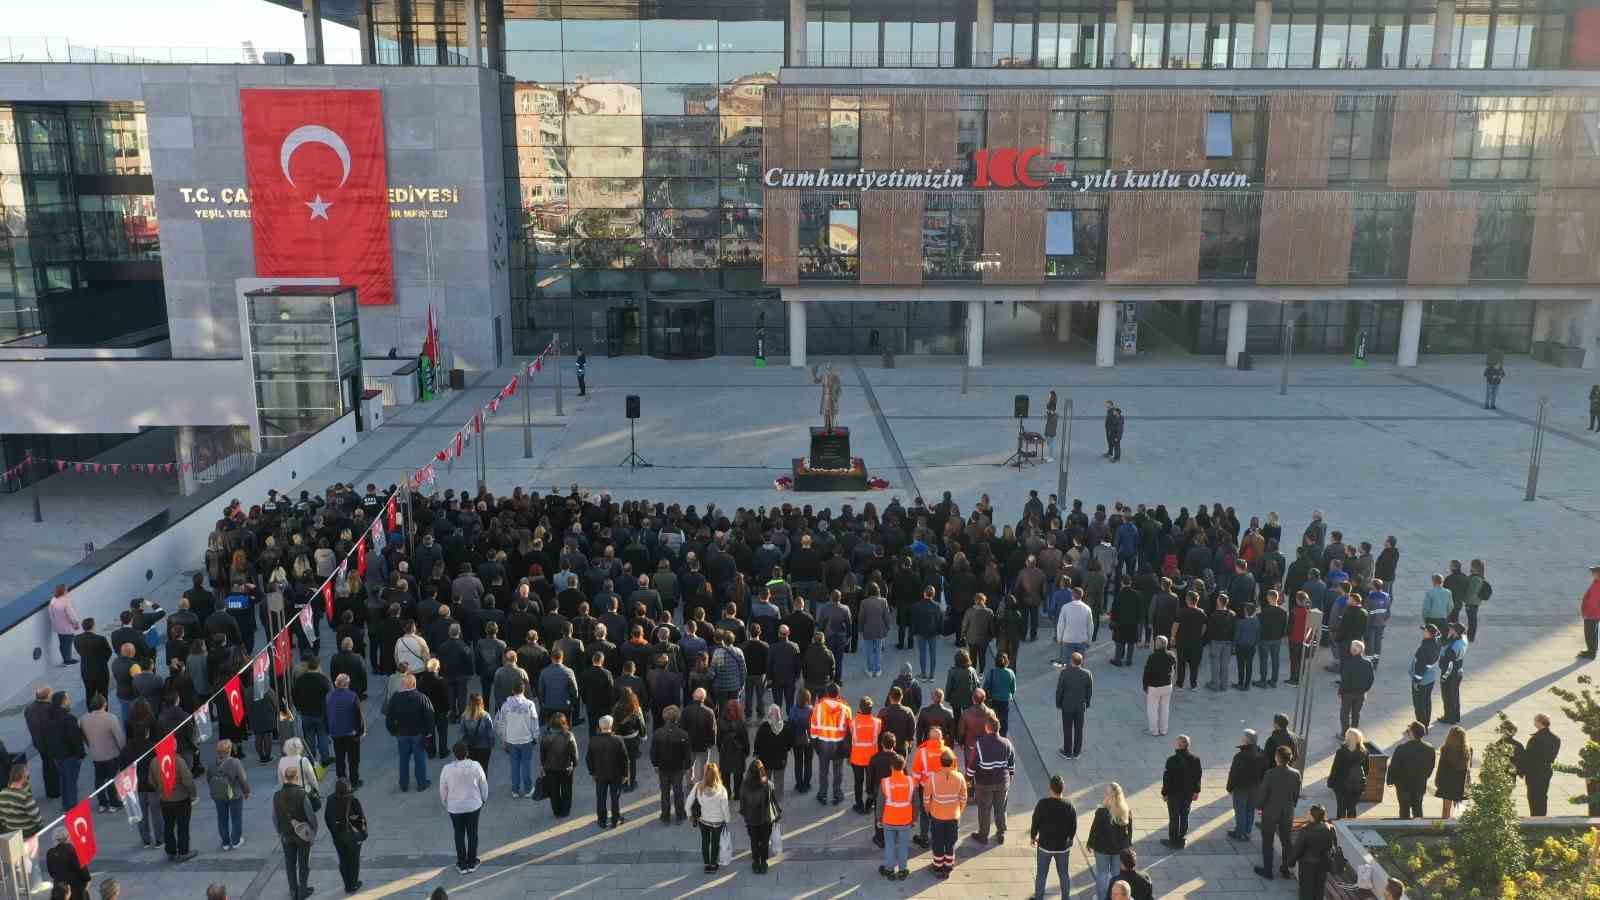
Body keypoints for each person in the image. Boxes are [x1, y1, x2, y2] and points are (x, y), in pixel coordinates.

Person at [439, 741, 488, 874]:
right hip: (473, 805)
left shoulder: (447, 769)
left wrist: (445, 802)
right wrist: (484, 798)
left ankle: (461, 863)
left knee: (458, 834)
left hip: (455, 808)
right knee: (473, 833)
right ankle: (472, 862)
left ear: (454, 754)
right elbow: (483, 784)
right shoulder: (476, 766)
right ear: (467, 753)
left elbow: (443, 788)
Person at [1254, 746, 1302, 880]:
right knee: (1286, 840)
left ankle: (1268, 870)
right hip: (1287, 811)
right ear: (1290, 758)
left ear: (1277, 758)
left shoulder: (1270, 774)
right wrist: (1292, 805)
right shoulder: (1296, 773)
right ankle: (1286, 868)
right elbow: (1296, 794)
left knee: (1267, 841)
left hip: (1270, 812)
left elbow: (1263, 793)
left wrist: (1259, 806)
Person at [273, 764, 318, 900]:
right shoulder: (302, 794)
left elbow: (274, 818)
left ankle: (293, 891)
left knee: (290, 864)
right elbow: (311, 816)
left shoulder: (277, 796)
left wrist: (279, 832)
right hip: (302, 835)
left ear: (285, 778)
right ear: (297, 777)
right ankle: (303, 890)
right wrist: (313, 833)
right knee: (304, 863)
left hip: (286, 834)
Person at [968, 711, 1014, 845]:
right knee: (1000, 808)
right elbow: (1011, 765)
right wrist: (1009, 778)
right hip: (1002, 782)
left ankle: (983, 835)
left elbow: (972, 766)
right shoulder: (1007, 743)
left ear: (987, 728)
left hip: (984, 783)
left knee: (984, 809)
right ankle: (1001, 833)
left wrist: (968, 779)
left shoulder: (980, 744)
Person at [386, 673, 434, 792]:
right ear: (414, 683)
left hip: (402, 734)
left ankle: (403, 784)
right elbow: (430, 715)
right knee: (420, 760)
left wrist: (393, 731)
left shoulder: (395, 698)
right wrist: (428, 732)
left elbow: (389, 717)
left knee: (403, 760)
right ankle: (422, 783)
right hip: (418, 734)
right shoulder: (421, 697)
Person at [924, 748, 967, 879]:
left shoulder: (933, 778)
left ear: (940, 762)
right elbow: (963, 797)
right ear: (952, 762)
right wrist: (960, 810)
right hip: (953, 816)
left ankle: (937, 866)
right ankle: (948, 865)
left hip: (937, 815)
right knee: (950, 841)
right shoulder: (960, 777)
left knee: (937, 841)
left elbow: (926, 798)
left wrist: (928, 810)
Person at [1084, 782, 1132, 900]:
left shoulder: (1102, 812)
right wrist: (1128, 846)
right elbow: (1129, 832)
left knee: (1102, 874)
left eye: (1106, 793)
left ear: (1109, 796)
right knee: (1117, 875)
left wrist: (1090, 843)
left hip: (1102, 850)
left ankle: (1101, 897)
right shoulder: (1126, 812)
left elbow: (1094, 829)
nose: (1104, 794)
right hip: (1119, 850)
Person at [493, 682, 537, 798]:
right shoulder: (529, 704)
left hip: (511, 741)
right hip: (526, 740)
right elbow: (534, 721)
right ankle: (528, 789)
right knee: (526, 765)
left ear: (512, 691)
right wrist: (535, 736)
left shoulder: (505, 706)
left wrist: (504, 739)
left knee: (514, 765)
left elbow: (502, 723)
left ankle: (515, 790)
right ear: (523, 691)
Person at [809, 683, 851, 805]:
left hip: (823, 745)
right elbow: (849, 730)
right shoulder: (845, 708)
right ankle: (837, 794)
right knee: (838, 771)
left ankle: (822, 795)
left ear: (827, 693)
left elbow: (813, 727)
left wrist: (815, 744)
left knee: (823, 771)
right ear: (838, 694)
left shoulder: (818, 707)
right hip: (839, 746)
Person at [324, 778, 366, 893]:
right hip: (352, 837)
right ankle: (353, 884)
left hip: (338, 838)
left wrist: (334, 833)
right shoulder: (353, 800)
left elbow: (327, 818)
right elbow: (360, 819)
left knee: (343, 860)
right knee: (354, 861)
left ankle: (347, 885)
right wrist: (363, 834)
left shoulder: (330, 800)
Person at [1387, 722, 1436, 820]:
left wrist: (1390, 780)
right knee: (1417, 808)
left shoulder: (1401, 749)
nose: (1406, 732)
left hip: (1403, 785)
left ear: (1412, 733)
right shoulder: (1430, 749)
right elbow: (1431, 767)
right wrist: (1424, 777)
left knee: (1404, 809)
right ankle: (1418, 828)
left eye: (1408, 730)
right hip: (1419, 783)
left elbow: (1393, 767)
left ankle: (1404, 827)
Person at [738, 759, 781, 874]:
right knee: (765, 841)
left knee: (754, 840)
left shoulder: (745, 785)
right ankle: (764, 862)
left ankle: (756, 862)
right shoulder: (768, 784)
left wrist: (744, 813)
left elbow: (742, 802)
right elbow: (773, 801)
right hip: (765, 818)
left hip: (751, 819)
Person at [1159, 734, 1201, 849]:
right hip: (1187, 794)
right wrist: (1196, 791)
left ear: (1178, 745)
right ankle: (1181, 837)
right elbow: (1198, 776)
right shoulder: (1195, 759)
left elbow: (1167, 779)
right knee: (1184, 815)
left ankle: (1173, 840)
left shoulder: (1171, 760)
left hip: (1174, 795)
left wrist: (1164, 793)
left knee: (1174, 817)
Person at [651, 705, 691, 823]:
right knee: (678, 792)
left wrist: (655, 765)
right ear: (677, 718)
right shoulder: (683, 734)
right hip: (678, 768)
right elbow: (687, 754)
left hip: (663, 768)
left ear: (664, 718)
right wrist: (687, 767)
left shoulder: (658, 733)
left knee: (665, 792)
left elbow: (653, 752)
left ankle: (665, 816)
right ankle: (680, 815)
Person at [877, 756, 915, 881]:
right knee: (903, 845)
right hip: (905, 820)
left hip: (889, 820)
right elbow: (916, 802)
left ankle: (889, 869)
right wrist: (914, 818)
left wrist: (879, 819)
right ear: (903, 766)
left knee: (890, 845)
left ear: (891, 767)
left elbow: (880, 803)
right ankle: (903, 870)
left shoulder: (885, 782)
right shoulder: (911, 781)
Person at [207, 741, 249, 851]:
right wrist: (246, 791)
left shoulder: (212, 764)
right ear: (229, 749)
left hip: (218, 795)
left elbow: (209, 779)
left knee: (222, 818)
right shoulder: (235, 763)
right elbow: (242, 779)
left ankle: (225, 842)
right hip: (234, 795)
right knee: (236, 818)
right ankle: (235, 841)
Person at [587, 715, 628, 828]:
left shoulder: (593, 740)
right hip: (615, 774)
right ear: (611, 725)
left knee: (601, 797)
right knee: (615, 797)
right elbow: (624, 759)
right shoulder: (618, 739)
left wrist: (592, 773)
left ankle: (602, 820)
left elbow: (589, 759)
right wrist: (625, 774)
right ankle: (615, 819)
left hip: (600, 774)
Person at [690, 761, 730, 873]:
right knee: (715, 842)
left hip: (703, 821)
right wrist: (727, 819)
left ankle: (706, 864)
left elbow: (689, 803)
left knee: (705, 841)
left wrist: (690, 815)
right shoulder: (722, 790)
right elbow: (725, 808)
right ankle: (713, 864)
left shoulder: (699, 787)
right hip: (717, 822)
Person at [539, 711, 578, 818]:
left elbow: (542, 753)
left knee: (554, 791)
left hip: (550, 768)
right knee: (567, 790)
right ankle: (565, 811)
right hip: (566, 768)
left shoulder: (545, 736)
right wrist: (574, 764)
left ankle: (556, 811)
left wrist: (543, 765)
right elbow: (574, 753)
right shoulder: (569, 735)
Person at [1054, 651, 1092, 759]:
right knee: (1079, 729)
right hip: (1080, 706)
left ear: (1071, 661)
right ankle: (1077, 752)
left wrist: (1058, 703)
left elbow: (1059, 690)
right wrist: (1087, 703)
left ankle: (1067, 751)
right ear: (1081, 661)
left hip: (1067, 706)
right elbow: (1089, 691)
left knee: (1067, 728)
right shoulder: (1087, 674)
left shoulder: (1064, 673)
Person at [1226, 729, 1263, 840]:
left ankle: (1240, 832)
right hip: (1255, 787)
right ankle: (1247, 831)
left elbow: (1234, 774)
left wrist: (1229, 787)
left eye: (1243, 738)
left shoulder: (1240, 756)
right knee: (1250, 809)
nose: (1241, 740)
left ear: (1247, 741)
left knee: (1240, 809)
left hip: (1241, 787)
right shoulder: (1262, 753)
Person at [848, 696, 882, 814]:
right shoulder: (877, 722)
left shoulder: (854, 722)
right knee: (871, 782)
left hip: (857, 758)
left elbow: (851, 735)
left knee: (858, 782)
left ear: (860, 709)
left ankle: (859, 804)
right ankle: (869, 804)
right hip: (872, 758)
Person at [1524, 713, 1561, 816]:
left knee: (1533, 797)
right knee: (1543, 795)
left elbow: (1528, 757)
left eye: (1535, 721)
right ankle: (1542, 817)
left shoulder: (1535, 739)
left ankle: (1535, 818)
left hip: (1534, 773)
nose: (1534, 723)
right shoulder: (1556, 739)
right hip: (1546, 771)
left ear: (1539, 723)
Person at [1329, 728, 1369, 820]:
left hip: (1341, 784)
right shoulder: (1364, 752)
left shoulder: (1341, 752)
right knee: (1352, 808)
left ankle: (1340, 829)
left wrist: (1331, 782)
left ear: (1347, 738)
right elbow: (1366, 769)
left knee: (1341, 809)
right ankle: (1351, 826)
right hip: (1357, 785)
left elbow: (1335, 769)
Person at [1338, 639, 1374, 735]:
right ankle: (1354, 734)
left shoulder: (1348, 663)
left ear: (1353, 650)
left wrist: (1340, 691)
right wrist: (1365, 690)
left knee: (1345, 714)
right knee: (1356, 714)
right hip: (1361, 694)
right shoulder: (1368, 663)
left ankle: (1344, 734)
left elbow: (1345, 680)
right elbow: (1371, 679)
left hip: (1348, 694)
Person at [1435, 725, 1472, 818]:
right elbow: (1468, 768)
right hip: (1460, 782)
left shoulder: (1445, 749)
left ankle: (1444, 828)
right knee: (1458, 808)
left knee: (1446, 809)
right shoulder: (1468, 750)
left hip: (1447, 781)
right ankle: (1457, 827)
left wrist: (1438, 781)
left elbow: (1441, 767)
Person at [1142, 636, 1175, 737]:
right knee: (1165, 708)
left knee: (1152, 709)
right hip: (1167, 685)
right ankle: (1164, 730)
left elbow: (1146, 673)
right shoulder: (1171, 655)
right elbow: (1173, 670)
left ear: (1157, 644)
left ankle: (1154, 731)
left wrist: (1145, 686)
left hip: (1154, 687)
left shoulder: (1152, 657)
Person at [718, 699, 750, 802]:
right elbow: (745, 740)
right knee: (738, 776)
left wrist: (721, 750)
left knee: (725, 776)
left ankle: (727, 793)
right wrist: (746, 752)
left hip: (725, 751)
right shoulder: (740, 723)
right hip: (738, 753)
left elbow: (718, 739)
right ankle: (737, 794)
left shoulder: (720, 722)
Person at [45, 828, 91, 900]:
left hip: (59, 889)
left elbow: (51, 873)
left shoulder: (50, 853)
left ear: (55, 838)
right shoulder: (76, 851)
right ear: (68, 837)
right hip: (77, 889)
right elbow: (85, 873)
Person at [1409, 625, 1440, 729]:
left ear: (1430, 634)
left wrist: (1416, 680)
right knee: (1426, 701)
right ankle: (1425, 723)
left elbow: (1421, 666)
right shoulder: (1435, 643)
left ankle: (1420, 727)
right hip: (1430, 678)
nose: (1424, 632)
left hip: (1422, 680)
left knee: (1419, 704)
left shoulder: (1425, 647)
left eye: (1425, 631)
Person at [1437, 623, 1468, 725]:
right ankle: (1455, 716)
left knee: (1448, 695)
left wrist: (1445, 676)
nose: (1450, 629)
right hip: (1458, 670)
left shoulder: (1454, 646)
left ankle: (1449, 717)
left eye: (1452, 629)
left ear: (1456, 631)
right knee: (1454, 695)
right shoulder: (1462, 639)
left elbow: (1449, 662)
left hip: (1450, 673)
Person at [0, 763, 42, 838]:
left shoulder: (2, 793)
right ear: (23, 778)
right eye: (28, 777)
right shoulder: (26, 797)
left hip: (12, 833)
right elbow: (37, 818)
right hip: (28, 833)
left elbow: (2, 817)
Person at [982, 653, 1017, 736]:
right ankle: (1003, 735)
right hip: (1005, 700)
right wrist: (1011, 695)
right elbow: (1013, 687)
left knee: (993, 717)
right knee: (1004, 719)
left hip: (993, 699)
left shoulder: (991, 672)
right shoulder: (1010, 672)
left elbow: (986, 685)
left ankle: (992, 733)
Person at [49, 586, 81, 666]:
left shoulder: (53, 601)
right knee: (68, 643)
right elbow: (71, 616)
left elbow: (51, 615)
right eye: (66, 590)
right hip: (67, 627)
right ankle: (68, 660)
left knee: (63, 643)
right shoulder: (66, 602)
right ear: (63, 592)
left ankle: (66, 659)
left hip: (58, 627)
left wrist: (55, 624)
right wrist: (76, 623)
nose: (67, 591)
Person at [1580, 564, 1600, 660]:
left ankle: (1591, 653)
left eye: (1594, 572)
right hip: (1592, 613)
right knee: (1592, 633)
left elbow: (1594, 601)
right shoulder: (1596, 582)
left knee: (1590, 633)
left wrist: (1588, 613)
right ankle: (1592, 650)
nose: (1592, 574)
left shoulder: (1598, 584)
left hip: (1592, 613)